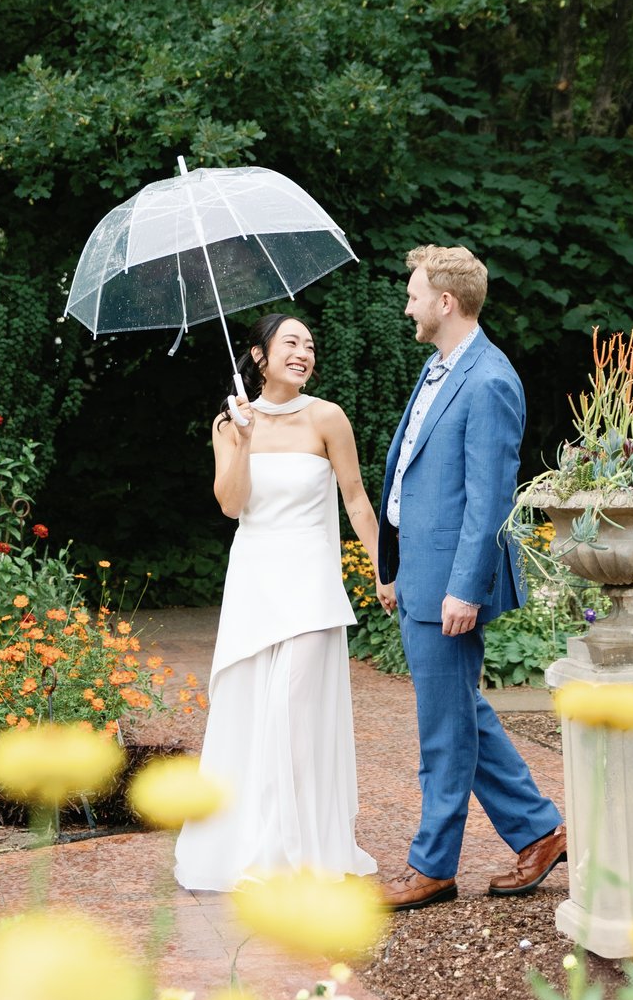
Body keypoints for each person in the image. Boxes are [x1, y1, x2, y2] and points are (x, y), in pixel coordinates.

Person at [373, 245, 565, 911]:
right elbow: (410, 476)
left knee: (444, 732)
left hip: (449, 584)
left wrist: (463, 587)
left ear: (445, 302)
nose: (408, 304)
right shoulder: (437, 367)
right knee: (462, 714)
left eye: (415, 293)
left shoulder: (488, 380)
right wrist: (391, 564)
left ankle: (432, 866)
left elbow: (488, 499)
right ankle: (541, 830)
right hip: (419, 573)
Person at [173, 312, 383, 892]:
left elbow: (357, 500)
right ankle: (248, 841)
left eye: (310, 345)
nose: (303, 352)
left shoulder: (327, 418)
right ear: (259, 356)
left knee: (292, 713)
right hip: (255, 579)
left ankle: (292, 849)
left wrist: (384, 570)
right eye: (290, 343)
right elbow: (231, 505)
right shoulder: (228, 422)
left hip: (312, 579)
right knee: (247, 710)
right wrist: (241, 440)